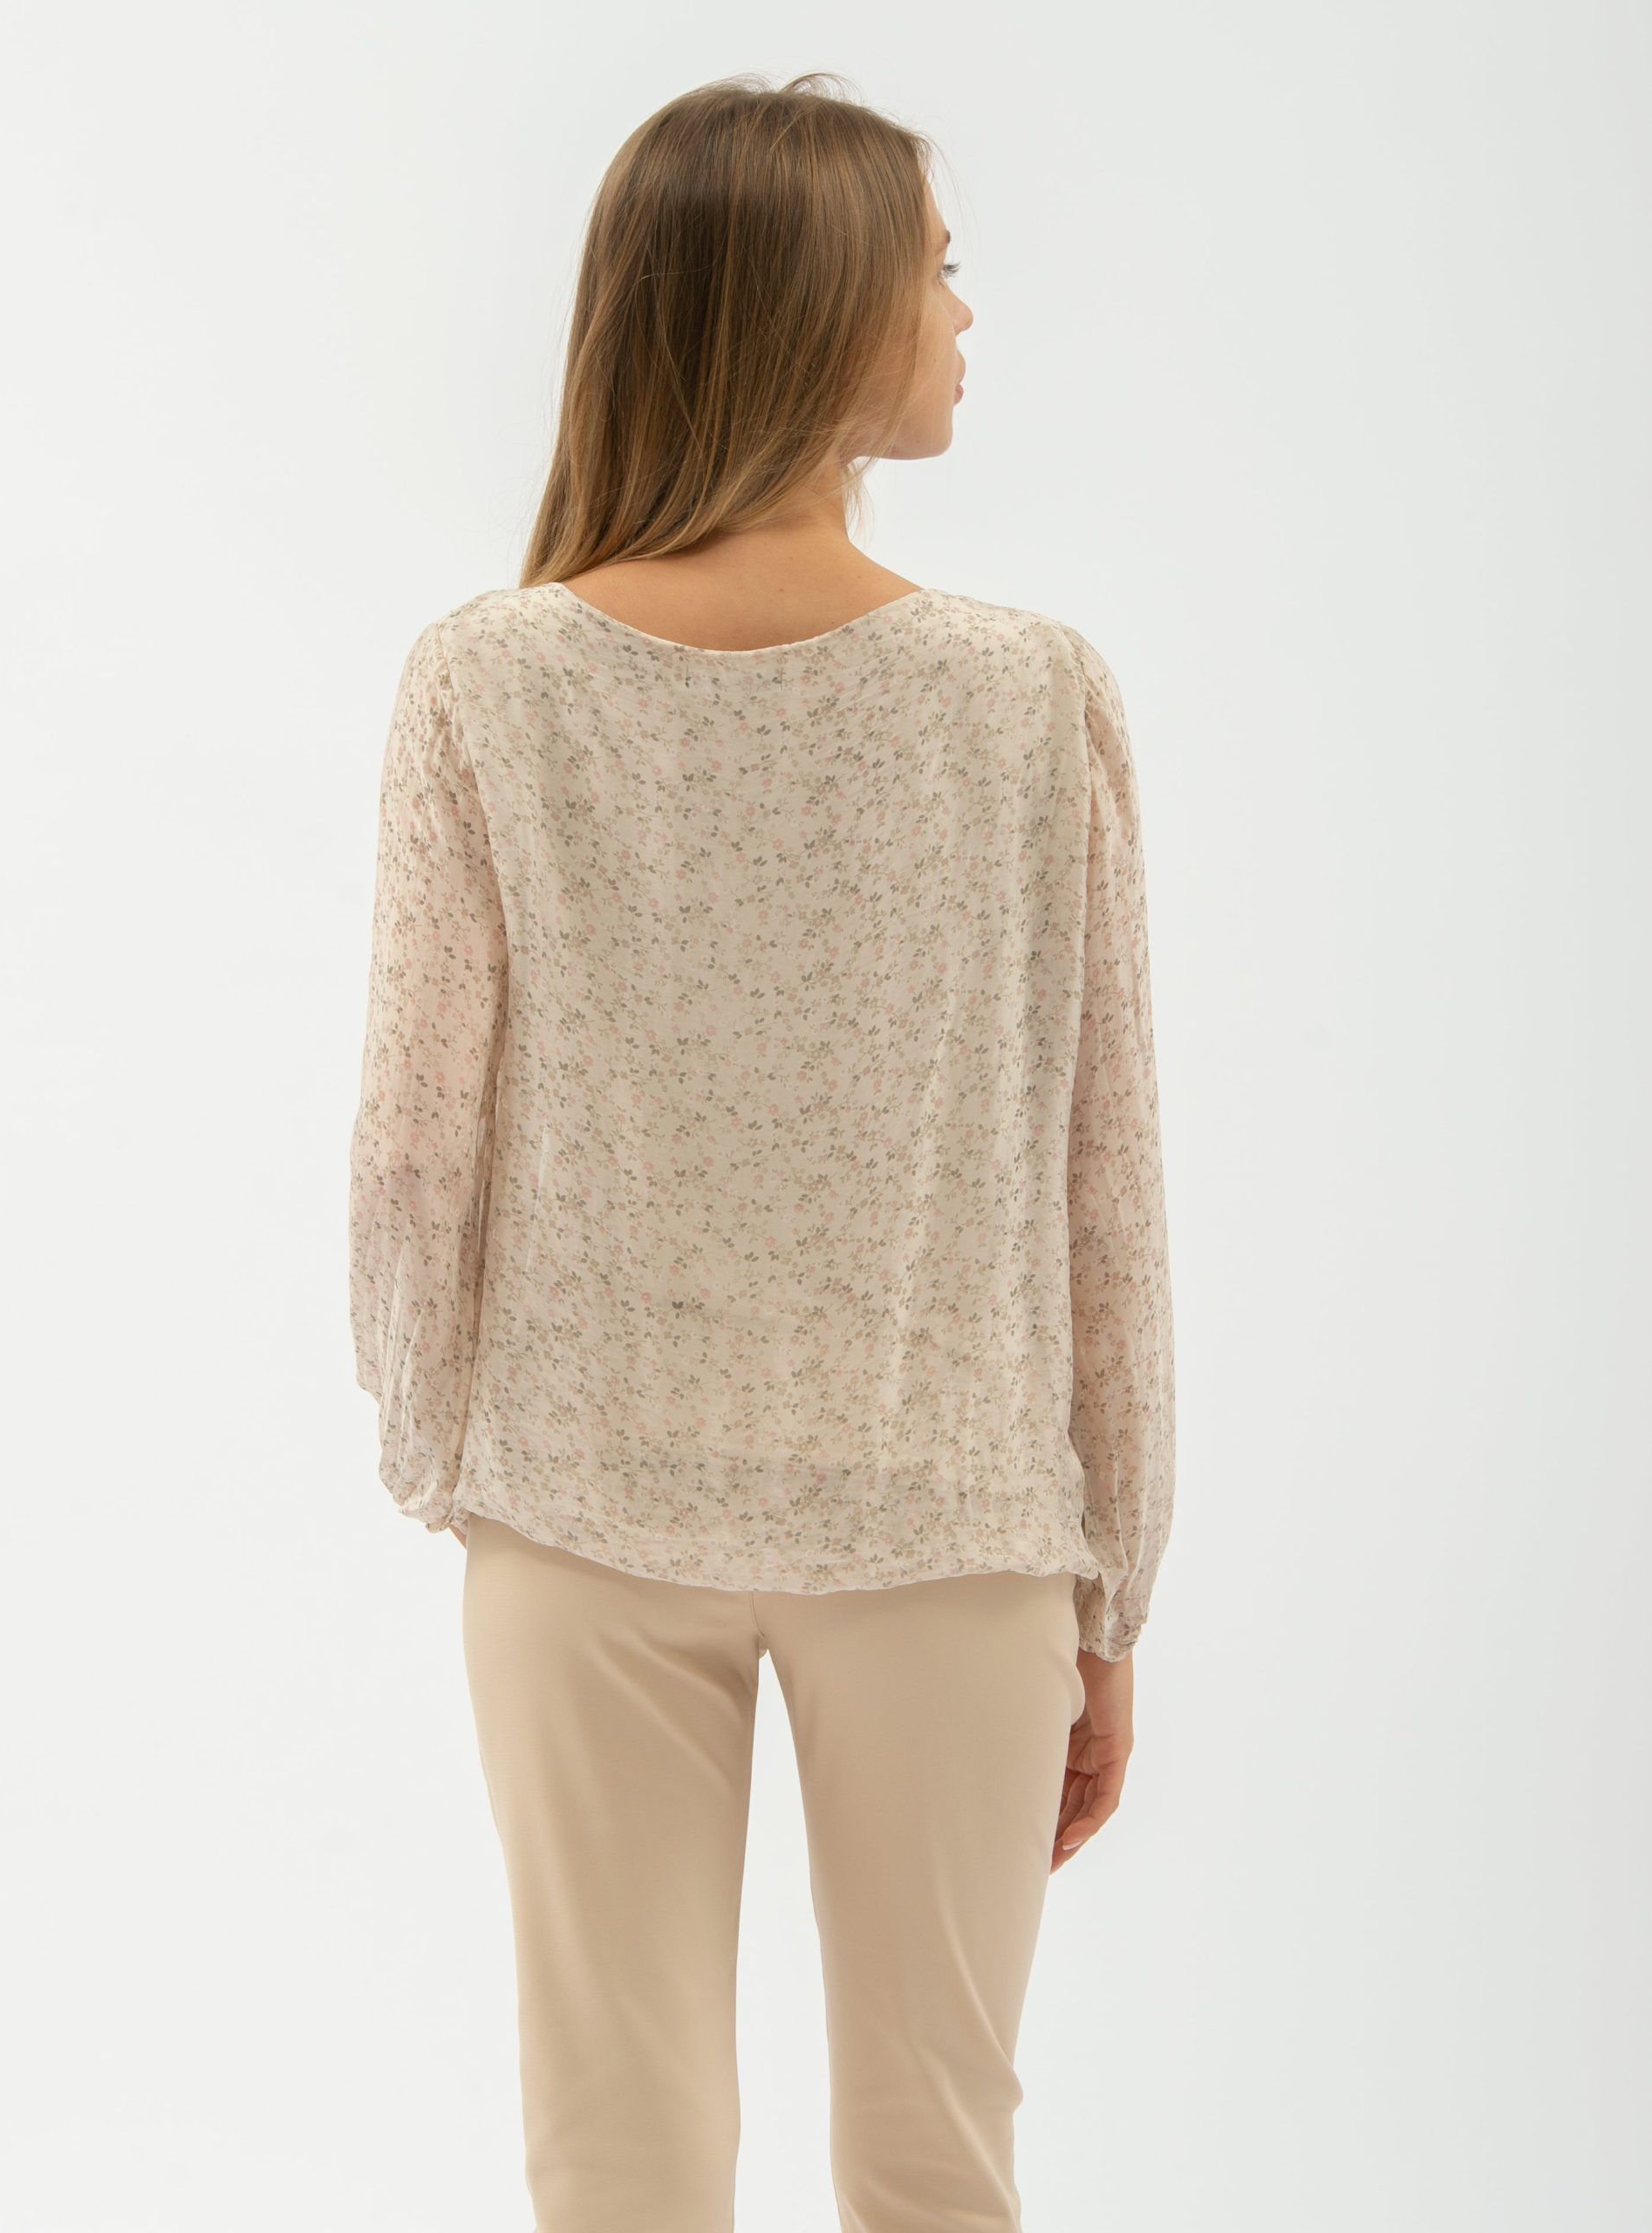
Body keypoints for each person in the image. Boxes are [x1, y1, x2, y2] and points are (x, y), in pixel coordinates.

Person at [348, 70, 1176, 2233]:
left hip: (577, 1517)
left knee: (612, 2154)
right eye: (936, 269)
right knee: (937, 2158)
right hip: (953, 1525)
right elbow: (1103, 1186)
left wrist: (448, 1458)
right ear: (816, 305)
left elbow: (410, 1161)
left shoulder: (487, 681)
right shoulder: (1029, 696)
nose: (965, 313)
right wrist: (1110, 1573)